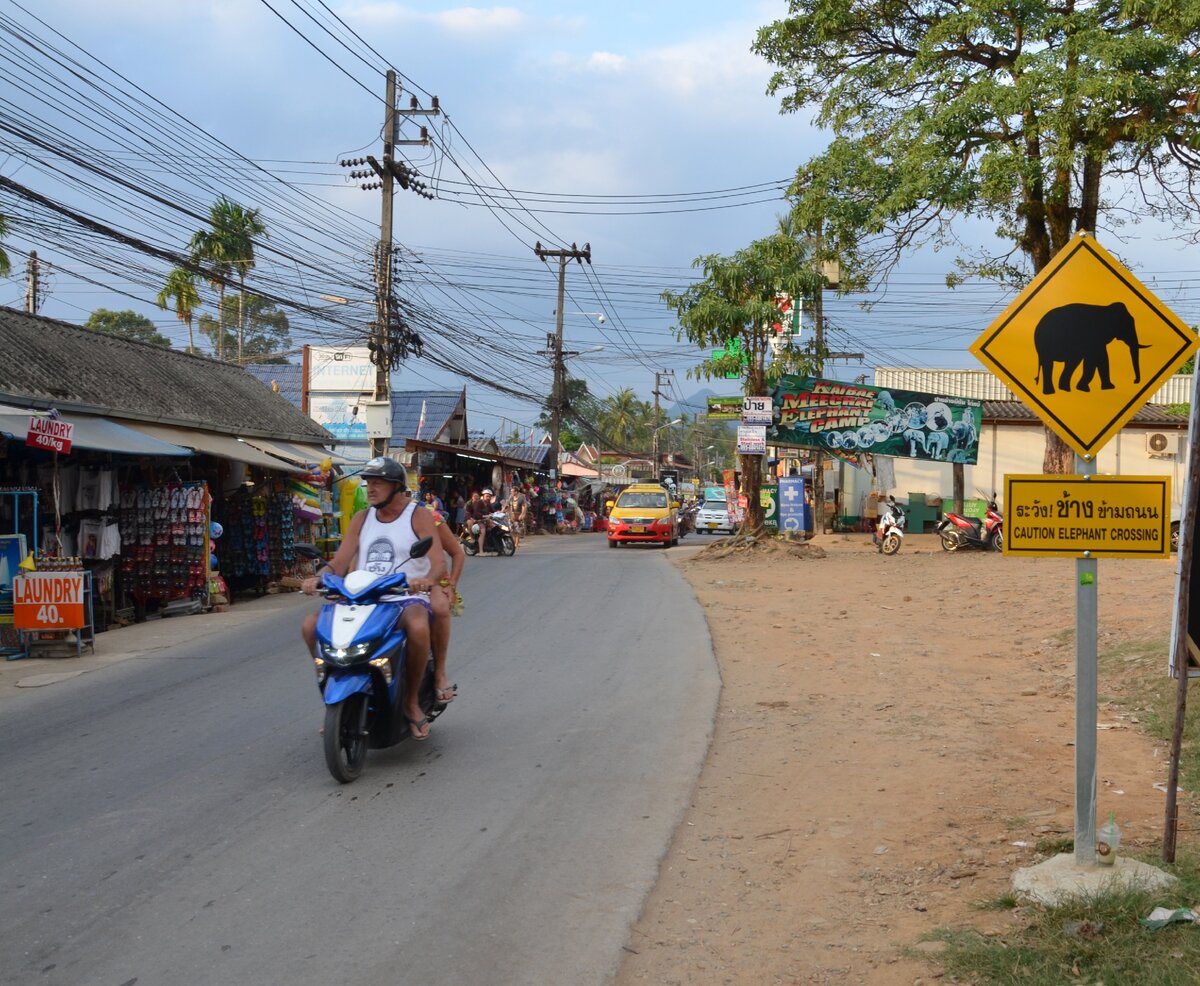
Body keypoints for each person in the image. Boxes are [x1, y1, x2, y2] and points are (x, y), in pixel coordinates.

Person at [300, 457, 446, 740]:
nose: (370, 489)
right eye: (368, 483)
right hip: (360, 596)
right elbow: (340, 562)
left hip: (403, 596)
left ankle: (411, 701)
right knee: (310, 625)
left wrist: (425, 580)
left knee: (417, 627)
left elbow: (438, 562)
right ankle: (336, 699)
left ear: (396, 486)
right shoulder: (361, 518)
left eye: (377, 483)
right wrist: (319, 577)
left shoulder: (417, 515)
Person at [427, 506, 465, 704]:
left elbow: (457, 553)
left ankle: (440, 673)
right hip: (387, 585)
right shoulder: (370, 517)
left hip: (428, 582)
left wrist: (451, 586)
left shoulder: (428, 517)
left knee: (440, 608)